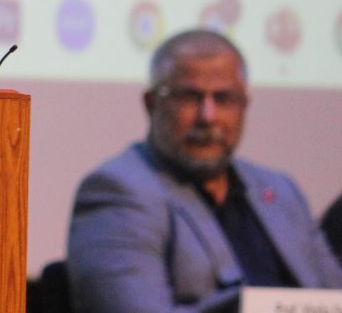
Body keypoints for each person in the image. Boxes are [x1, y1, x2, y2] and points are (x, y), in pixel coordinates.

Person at [67, 29, 342, 313]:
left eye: (224, 99)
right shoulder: (118, 192)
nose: (208, 117)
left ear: (244, 106)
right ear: (151, 104)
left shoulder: (280, 191)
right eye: (189, 97)